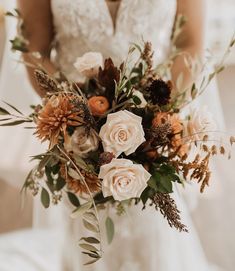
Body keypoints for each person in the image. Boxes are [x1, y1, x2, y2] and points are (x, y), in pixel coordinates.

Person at [1, 0, 224, 270]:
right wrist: (81, 120)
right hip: (81, 140)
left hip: (153, 133)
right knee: (90, 233)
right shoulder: (81, 133)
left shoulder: (155, 123)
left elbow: (190, 45)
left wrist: (155, 119)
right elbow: (34, 50)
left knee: (153, 232)